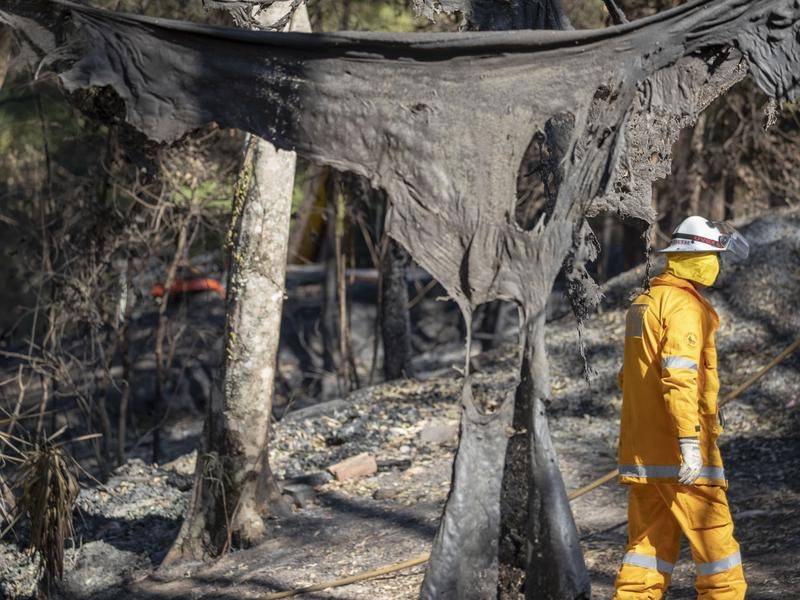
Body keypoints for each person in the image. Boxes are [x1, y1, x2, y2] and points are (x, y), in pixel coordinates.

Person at [613, 216, 750, 599]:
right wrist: (689, 443)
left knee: (646, 552)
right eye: (714, 257)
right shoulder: (684, 307)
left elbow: (629, 378)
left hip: (643, 455)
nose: (717, 265)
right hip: (680, 455)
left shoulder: (645, 302)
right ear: (695, 258)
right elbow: (680, 380)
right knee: (718, 555)